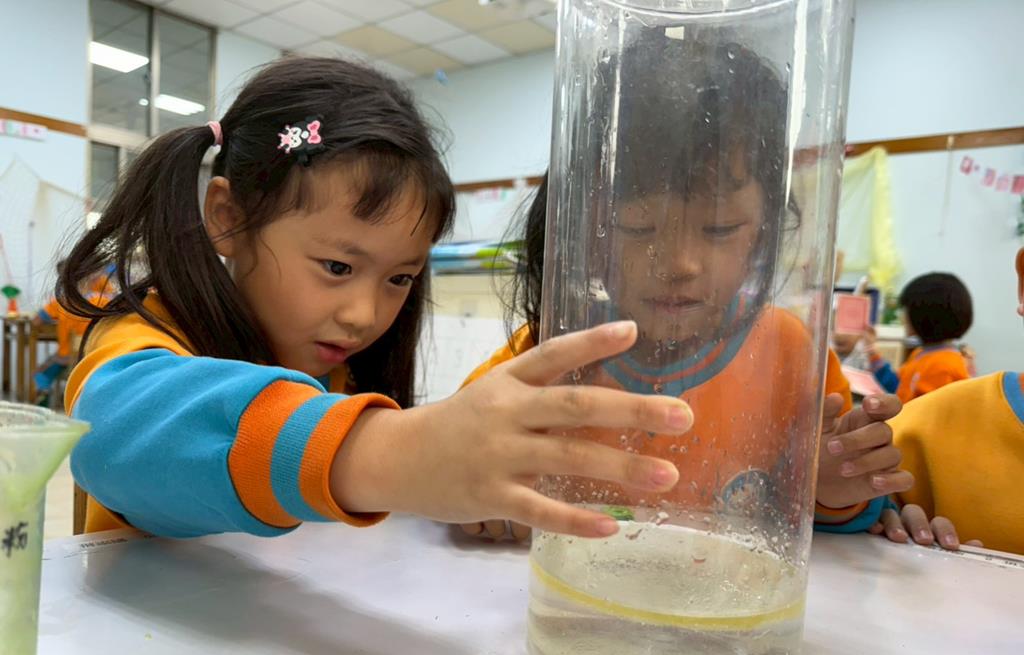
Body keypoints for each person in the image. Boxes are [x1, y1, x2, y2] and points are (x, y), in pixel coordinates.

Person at [57, 56, 697, 540]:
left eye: (399, 279)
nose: (364, 316)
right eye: (337, 266)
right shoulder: (149, 335)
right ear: (228, 217)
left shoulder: (345, 372)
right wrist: (387, 453)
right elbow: (111, 434)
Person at [459, 36, 910, 541]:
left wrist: (834, 486)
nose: (679, 264)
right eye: (637, 227)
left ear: (764, 231)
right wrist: (477, 484)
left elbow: (824, 515)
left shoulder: (790, 354)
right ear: (590, 229)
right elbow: (455, 449)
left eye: (720, 228)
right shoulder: (552, 350)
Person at [864, 248, 1024, 555]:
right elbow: (900, 391)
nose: (903, 318)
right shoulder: (920, 363)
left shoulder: (947, 365)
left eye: (906, 311)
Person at [865, 272, 973, 402]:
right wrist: (872, 352)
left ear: (923, 314)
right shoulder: (921, 353)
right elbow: (898, 387)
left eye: (906, 310)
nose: (902, 316)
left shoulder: (944, 366)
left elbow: (924, 411)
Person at [32, 269, 114, 407]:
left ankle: (44, 402)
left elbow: (36, 321)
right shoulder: (104, 301)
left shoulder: (62, 302)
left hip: (66, 357)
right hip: (96, 357)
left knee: (39, 373)